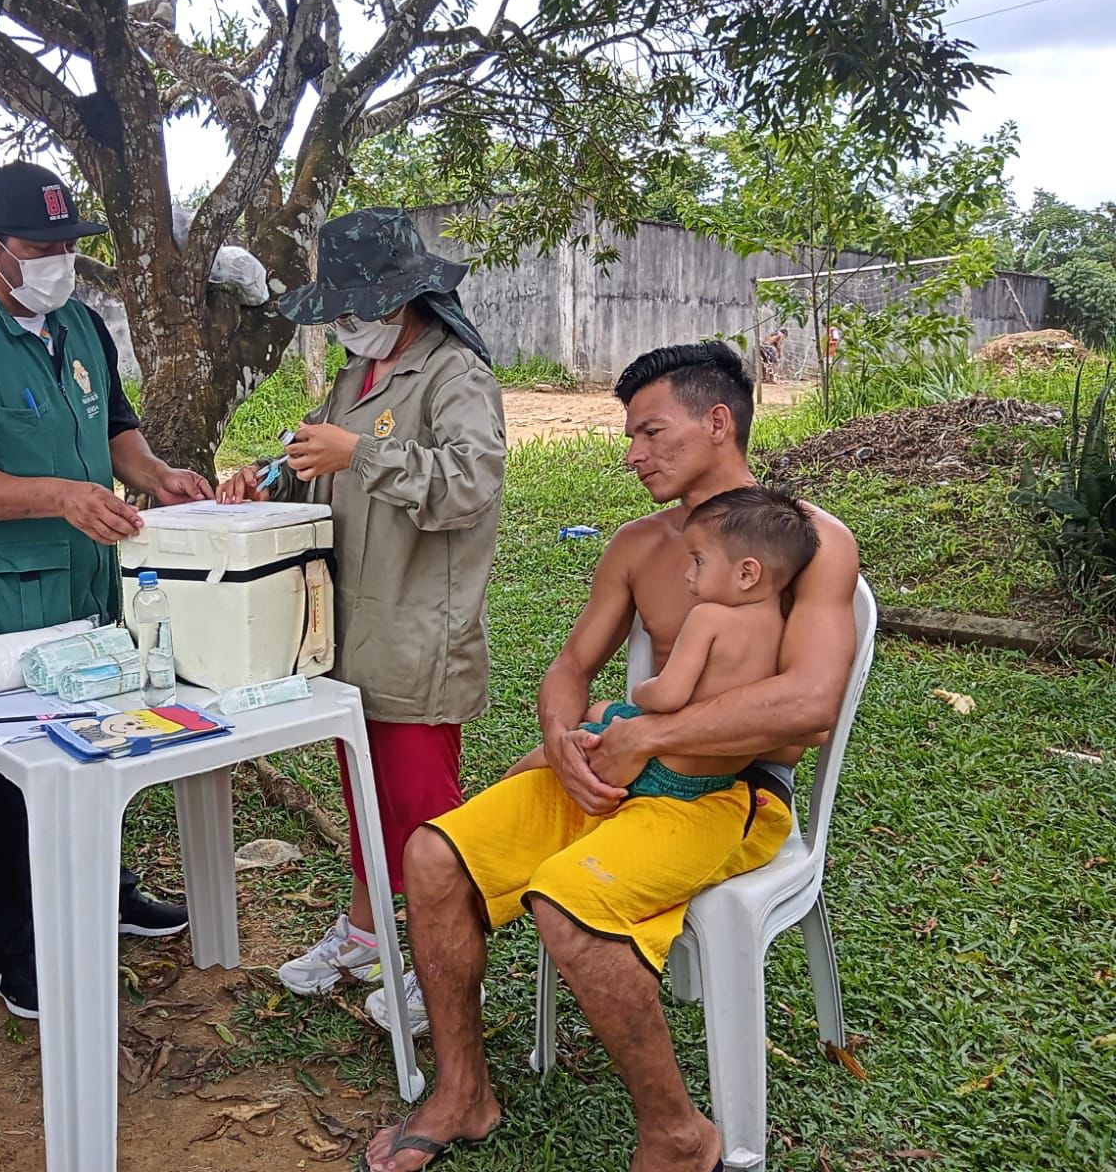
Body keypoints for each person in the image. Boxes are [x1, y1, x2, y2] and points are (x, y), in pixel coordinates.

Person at [359, 341, 860, 1172]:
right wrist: (562, 739)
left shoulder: (805, 543)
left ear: (718, 422)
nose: (633, 454)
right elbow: (569, 669)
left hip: (725, 794)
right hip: (614, 770)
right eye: (630, 436)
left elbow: (808, 707)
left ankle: (677, 1132)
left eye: (652, 433)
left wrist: (653, 734)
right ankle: (462, 1092)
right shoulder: (638, 544)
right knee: (432, 855)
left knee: (568, 901)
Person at [0, 160, 213, 1021]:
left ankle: (108, 889)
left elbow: (117, 431)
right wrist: (55, 496)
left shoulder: (81, 324)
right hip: (2, 606)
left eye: (68, 246)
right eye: (39, 248)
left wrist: (159, 475)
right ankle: (10, 949)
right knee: (7, 778)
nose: (58, 263)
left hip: (89, 587)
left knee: (99, 741)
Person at [217, 207, 506, 1035]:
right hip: (351, 633)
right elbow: (313, 456)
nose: (344, 323)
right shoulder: (356, 376)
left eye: (354, 306)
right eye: (337, 309)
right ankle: (368, 932)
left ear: (402, 297)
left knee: (423, 810)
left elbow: (470, 484)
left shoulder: (456, 375)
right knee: (365, 795)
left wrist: (362, 455)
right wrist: (266, 476)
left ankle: (441, 965)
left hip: (419, 635)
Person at [505, 484, 820, 802]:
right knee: (598, 709)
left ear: (746, 574)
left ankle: (496, 796)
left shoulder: (707, 618)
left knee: (561, 750)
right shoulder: (782, 624)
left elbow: (668, 696)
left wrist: (642, 691)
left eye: (698, 561)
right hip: (716, 768)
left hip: (668, 766)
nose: (687, 574)